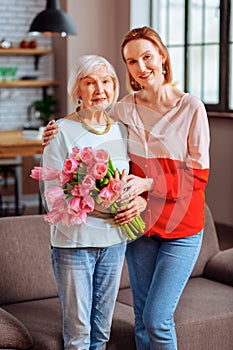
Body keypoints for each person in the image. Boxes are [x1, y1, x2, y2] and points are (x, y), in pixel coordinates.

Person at [42, 26, 210, 350]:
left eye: (147, 57)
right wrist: (57, 128)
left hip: (182, 229)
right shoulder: (124, 108)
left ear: (162, 56)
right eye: (131, 61)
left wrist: (148, 183)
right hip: (138, 229)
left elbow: (198, 176)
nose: (141, 67)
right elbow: (90, 111)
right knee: (141, 320)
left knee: (157, 319)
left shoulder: (192, 108)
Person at [41, 54, 146, 350]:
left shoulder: (122, 130)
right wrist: (100, 206)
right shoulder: (60, 131)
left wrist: (132, 201)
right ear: (77, 90)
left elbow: (134, 179)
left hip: (114, 241)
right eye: (90, 83)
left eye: (106, 81)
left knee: (102, 333)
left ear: (114, 86)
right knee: (78, 336)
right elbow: (52, 193)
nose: (100, 89)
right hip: (74, 242)